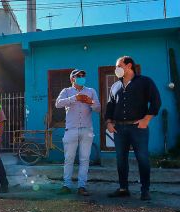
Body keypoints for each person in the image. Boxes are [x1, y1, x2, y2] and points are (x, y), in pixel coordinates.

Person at [106, 56, 161, 201]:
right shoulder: (114, 86)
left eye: (119, 65)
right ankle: (123, 188)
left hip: (138, 128)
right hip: (119, 129)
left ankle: (145, 190)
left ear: (129, 65)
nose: (116, 69)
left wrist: (146, 119)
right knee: (120, 159)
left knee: (142, 158)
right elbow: (110, 106)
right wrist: (109, 123)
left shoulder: (145, 82)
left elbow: (156, 101)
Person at [55, 69, 101, 196]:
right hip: (71, 129)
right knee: (68, 158)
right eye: (78, 76)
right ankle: (67, 185)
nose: (81, 77)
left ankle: (82, 186)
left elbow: (98, 108)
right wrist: (75, 98)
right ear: (72, 79)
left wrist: (90, 102)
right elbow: (58, 103)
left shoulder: (91, 91)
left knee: (85, 159)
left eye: (83, 75)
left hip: (87, 130)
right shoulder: (66, 91)